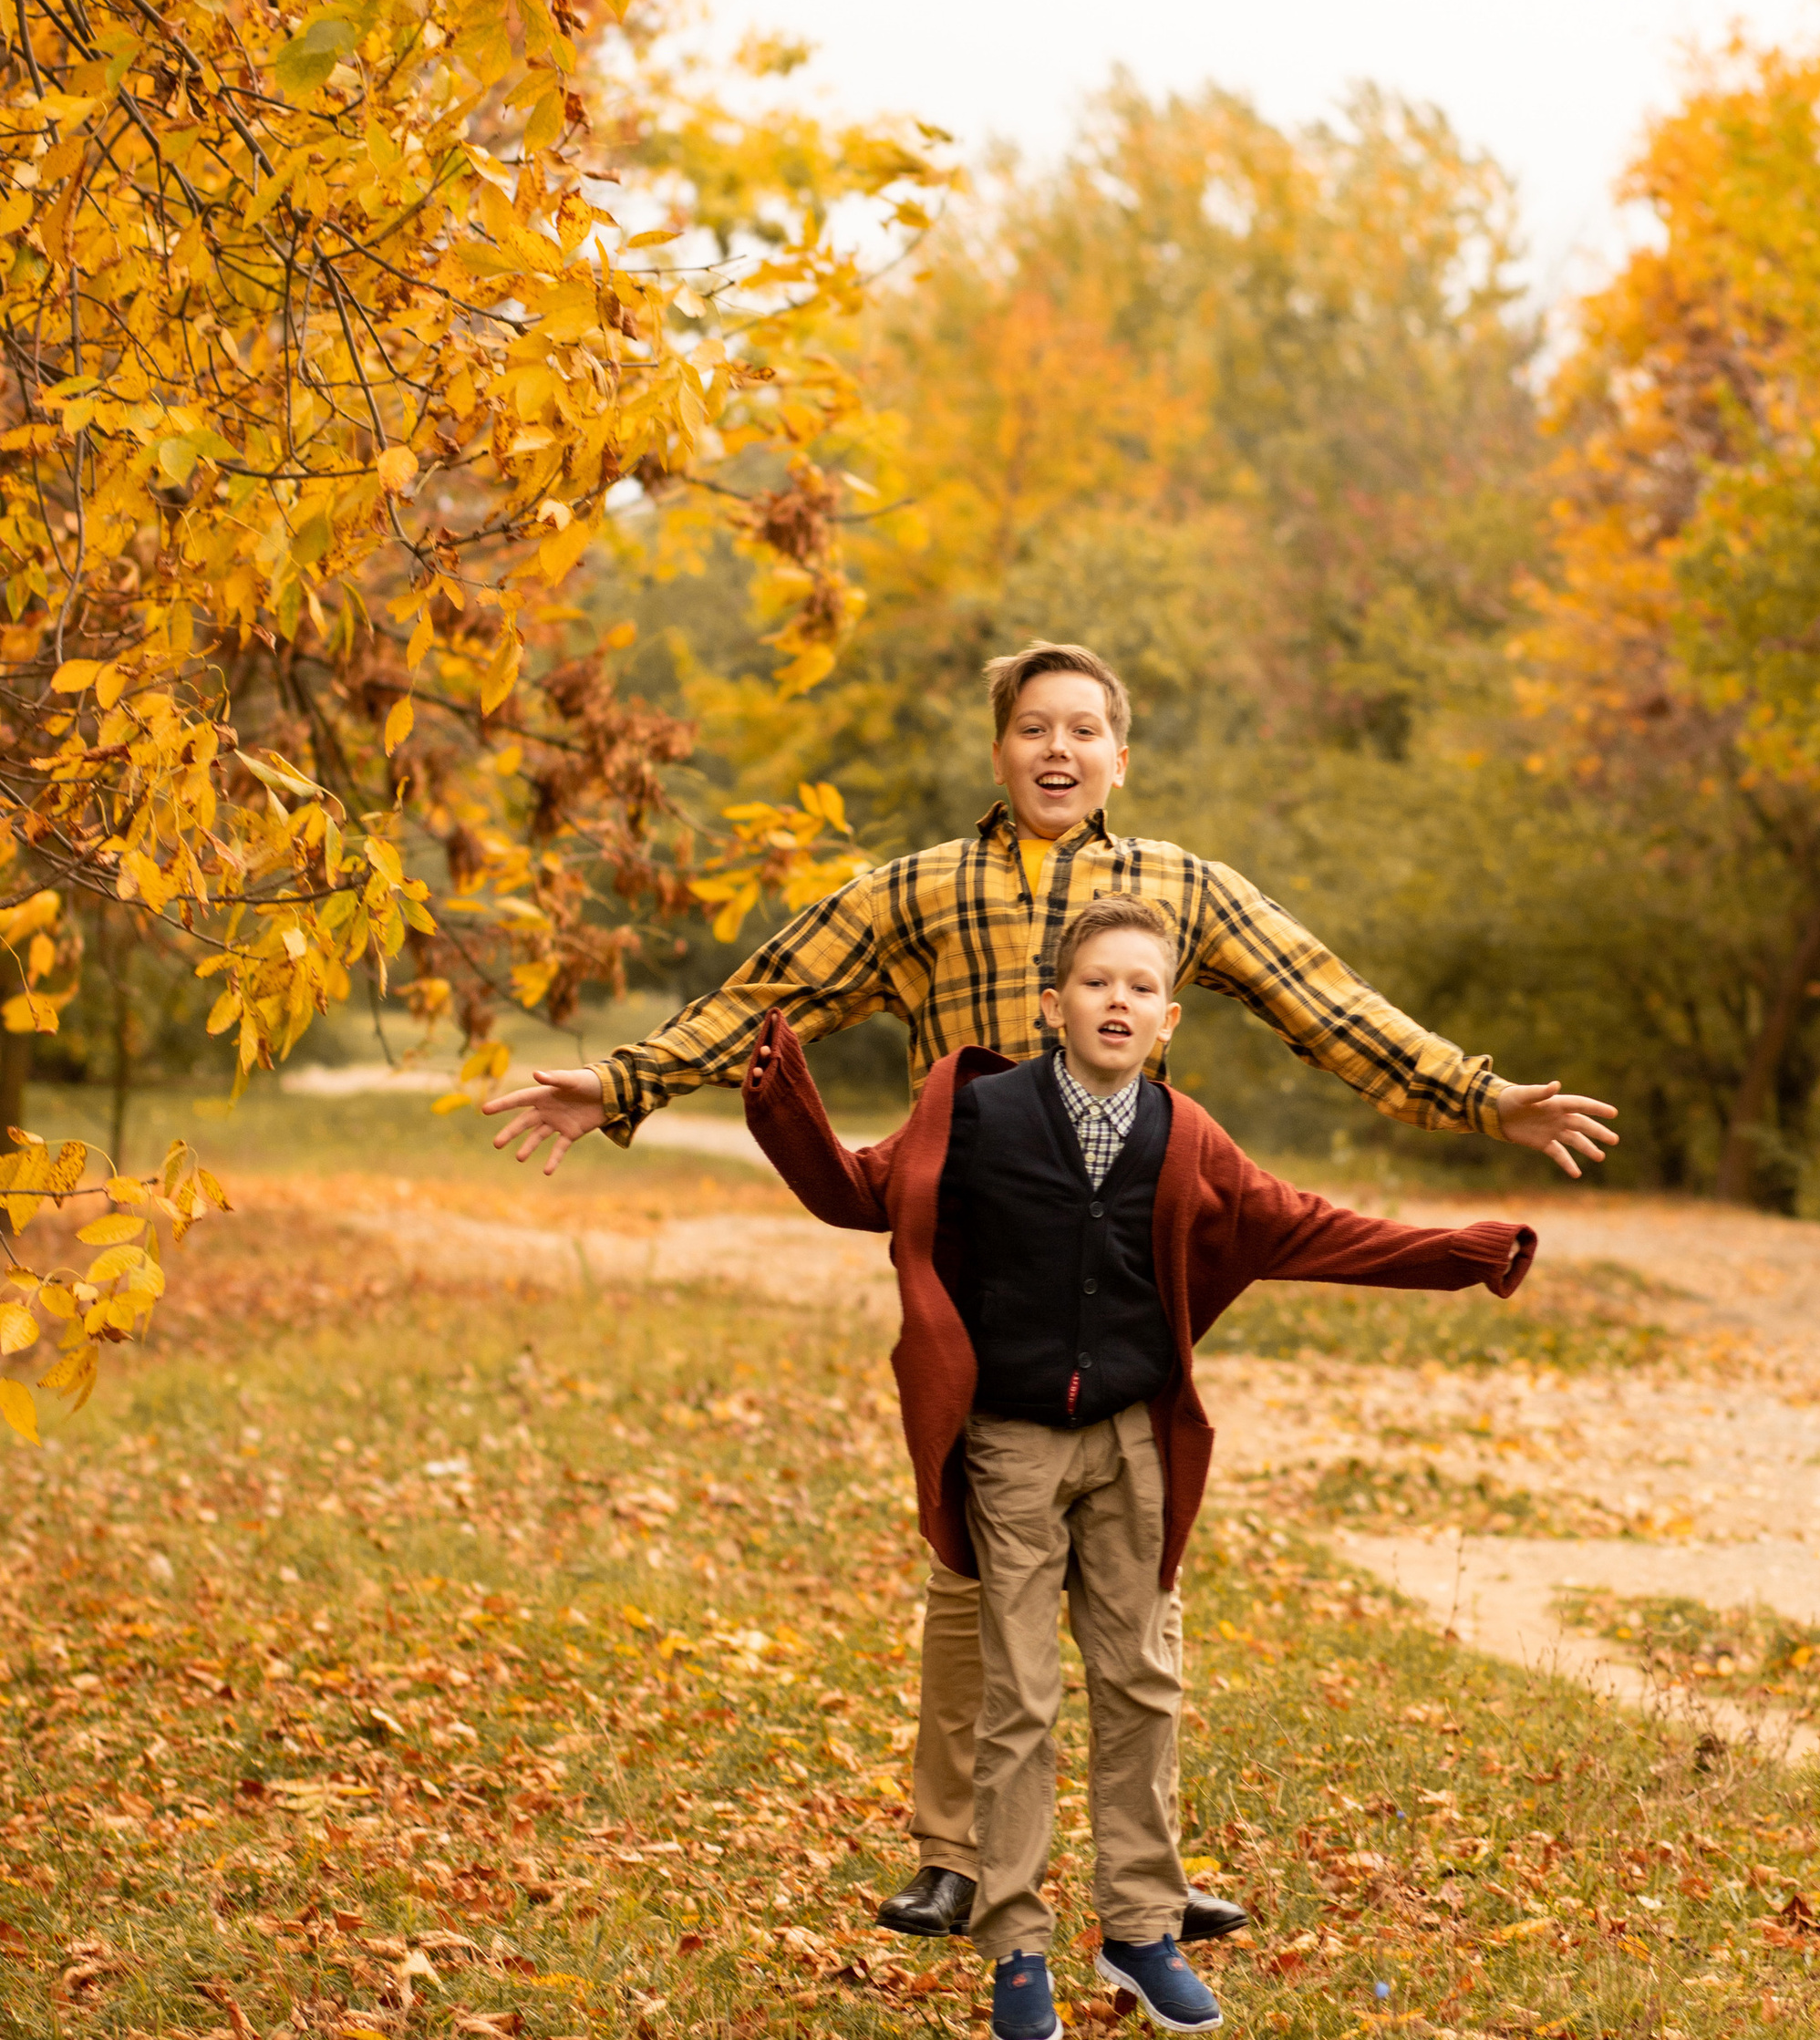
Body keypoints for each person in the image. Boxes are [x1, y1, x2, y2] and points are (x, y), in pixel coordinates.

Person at [480, 637, 1618, 1942]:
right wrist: (623, 1082)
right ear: (1000, 747)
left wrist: (1482, 1098)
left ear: (1121, 756)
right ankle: (957, 1852)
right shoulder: (920, 888)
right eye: (1034, 727)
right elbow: (765, 1000)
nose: (1059, 750)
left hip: (1126, 1247)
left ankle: (1147, 1864)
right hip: (976, 1262)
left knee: (1136, 1568)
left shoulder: (1183, 889)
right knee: (973, 1564)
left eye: (1085, 729)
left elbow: (1329, 1007)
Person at [741, 896, 1540, 2040]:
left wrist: (1463, 1254)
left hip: (1130, 1442)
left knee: (1142, 1684)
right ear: (1053, 1004)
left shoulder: (1186, 1137)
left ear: (1166, 1020)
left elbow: (1304, 1227)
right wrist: (783, 1102)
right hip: (1010, 1445)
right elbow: (855, 1190)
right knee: (1018, 1696)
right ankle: (1015, 1942)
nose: (1116, 1002)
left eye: (1139, 989)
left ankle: (1140, 1925)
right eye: (1096, 982)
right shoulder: (976, 1116)